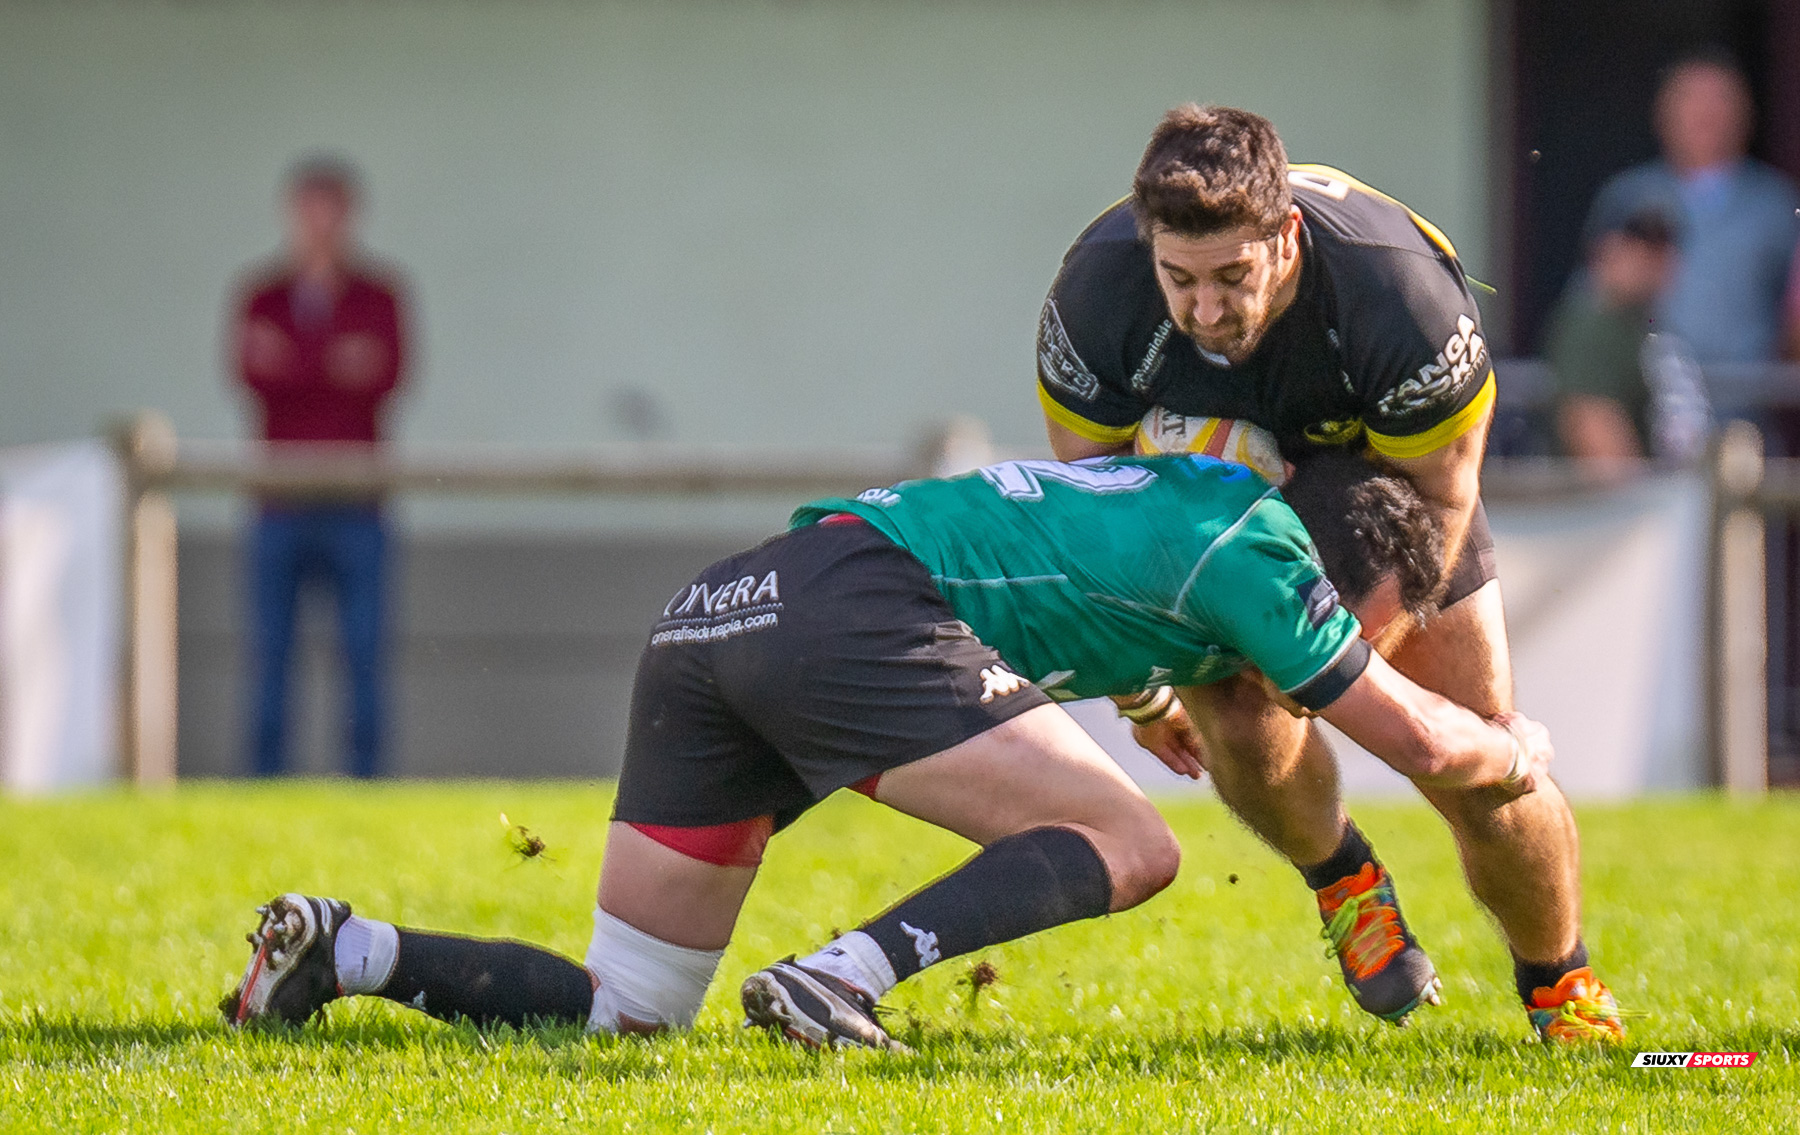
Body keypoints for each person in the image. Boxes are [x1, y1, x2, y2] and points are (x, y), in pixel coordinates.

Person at [221, 452, 1571, 1049]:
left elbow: (1082, 577)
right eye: (1372, 632)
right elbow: (1422, 740)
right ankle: (838, 975)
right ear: (1352, 585)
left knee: (627, 1006)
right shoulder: (1272, 558)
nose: (1340, 657)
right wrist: (1519, 750)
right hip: (855, 609)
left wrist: (1158, 686)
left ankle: (345, 950)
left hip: (726, 605)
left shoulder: (1195, 495)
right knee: (1133, 844)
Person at [1034, 104, 1622, 1043]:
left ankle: (1565, 988)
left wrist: (1330, 666)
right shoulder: (1097, 297)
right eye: (1179, 280)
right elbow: (1091, 508)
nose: (1206, 311)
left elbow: (1438, 507)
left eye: (1233, 275)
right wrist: (1143, 697)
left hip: (1389, 502)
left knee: (1482, 765)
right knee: (1232, 706)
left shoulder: (1400, 298)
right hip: (1214, 511)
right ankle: (1344, 878)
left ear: (1287, 234)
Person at [228, 156, 410, 778]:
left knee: (364, 656)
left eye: (330, 210)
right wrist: (335, 361)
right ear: (291, 215)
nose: (320, 225)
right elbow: (251, 376)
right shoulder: (262, 295)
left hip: (359, 504)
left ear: (350, 216)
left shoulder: (381, 295)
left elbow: (386, 377)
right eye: (309, 210)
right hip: (277, 503)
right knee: (270, 658)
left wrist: (296, 361)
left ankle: (366, 786)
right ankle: (264, 785)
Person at [1583, 52, 1798, 372]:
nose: (1705, 113)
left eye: (1720, 100)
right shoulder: (1628, 197)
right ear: (1661, 113)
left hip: (1748, 404)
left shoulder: (1777, 203)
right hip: (1647, 402)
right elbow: (1590, 306)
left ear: (1747, 114)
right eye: (1690, 99)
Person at [1545, 205, 1681, 471]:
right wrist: (1645, 504)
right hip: (1609, 506)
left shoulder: (1641, 322)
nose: (1649, 261)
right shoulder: (1593, 324)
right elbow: (1590, 425)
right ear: (1605, 250)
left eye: (1659, 249)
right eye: (1638, 246)